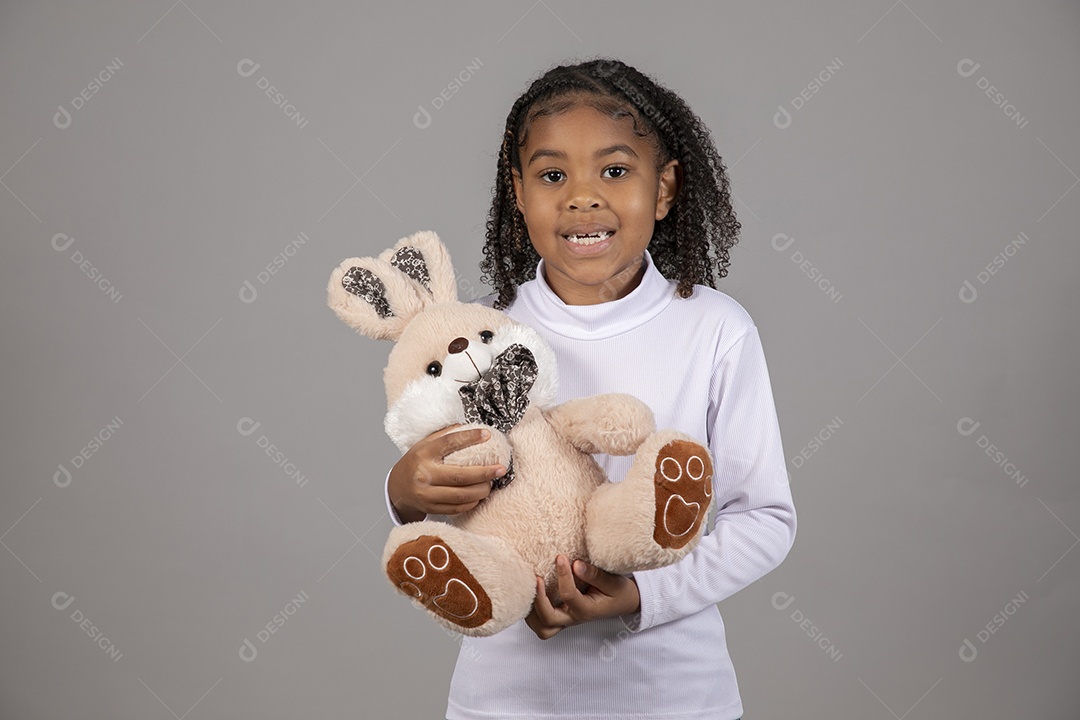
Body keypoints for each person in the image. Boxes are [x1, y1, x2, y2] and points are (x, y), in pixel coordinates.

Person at [384, 57, 795, 720]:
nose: (582, 197)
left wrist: (640, 596)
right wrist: (402, 495)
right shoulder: (479, 336)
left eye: (614, 170)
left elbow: (765, 520)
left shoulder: (717, 331)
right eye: (552, 175)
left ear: (664, 189)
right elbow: (445, 472)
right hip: (506, 701)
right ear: (518, 192)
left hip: (673, 697)